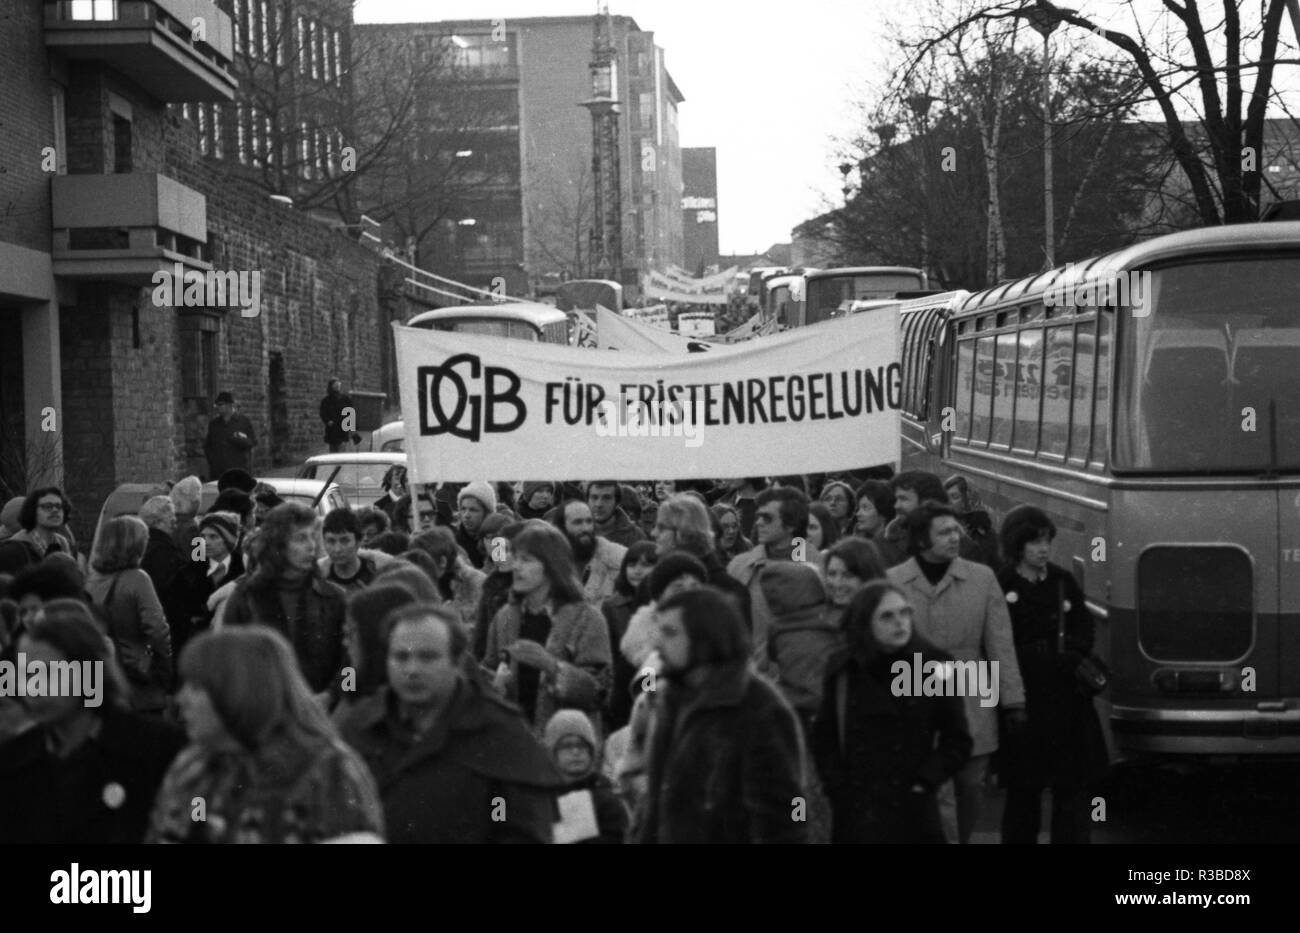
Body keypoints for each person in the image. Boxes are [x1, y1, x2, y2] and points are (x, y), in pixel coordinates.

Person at [335, 604, 563, 843]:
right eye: (401, 657)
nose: (412, 670)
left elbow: (523, 830)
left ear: (456, 662)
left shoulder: (499, 733)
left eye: (428, 657)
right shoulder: (360, 728)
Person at [147, 627, 384, 843]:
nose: (181, 700)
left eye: (197, 688)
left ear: (237, 691)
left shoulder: (329, 772)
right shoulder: (193, 768)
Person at [886, 502, 1026, 844]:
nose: (954, 538)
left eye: (955, 531)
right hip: (915, 689)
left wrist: (1013, 701)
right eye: (944, 532)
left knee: (970, 784)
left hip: (971, 691)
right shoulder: (893, 581)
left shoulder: (982, 578)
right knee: (935, 789)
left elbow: (1000, 644)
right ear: (921, 540)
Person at [631, 588, 808, 844]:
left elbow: (789, 818)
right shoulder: (671, 700)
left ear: (704, 636)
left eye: (670, 633)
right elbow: (656, 807)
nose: (657, 643)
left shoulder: (759, 709)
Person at [0, 600, 186, 843]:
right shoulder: (14, 759)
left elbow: (199, 814)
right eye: (27, 675)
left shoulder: (158, 746)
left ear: (89, 673)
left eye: (49, 674)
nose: (34, 690)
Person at [813, 582, 973, 843]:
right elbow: (824, 736)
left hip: (913, 811)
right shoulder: (843, 668)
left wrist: (925, 782)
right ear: (866, 623)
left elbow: (957, 739)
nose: (900, 623)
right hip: (858, 812)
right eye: (887, 616)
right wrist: (837, 787)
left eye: (905, 613)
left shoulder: (934, 665)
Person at [996, 506, 1109, 844]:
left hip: (1066, 702)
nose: (1043, 549)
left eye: (1046, 541)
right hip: (1024, 701)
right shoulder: (1002, 584)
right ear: (1018, 545)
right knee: (1023, 793)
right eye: (1034, 542)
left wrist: (1070, 654)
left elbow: (1084, 629)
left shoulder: (1063, 581)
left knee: (1071, 790)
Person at [485, 524, 611, 735]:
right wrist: (493, 685)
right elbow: (489, 666)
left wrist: (552, 667)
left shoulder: (586, 618)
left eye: (526, 560)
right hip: (516, 744)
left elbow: (599, 691)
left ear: (552, 565)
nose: (515, 566)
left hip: (566, 747)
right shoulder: (505, 617)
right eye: (515, 558)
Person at [221, 503, 348, 696]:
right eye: (300, 538)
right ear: (278, 545)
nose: (311, 546)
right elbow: (228, 666)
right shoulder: (246, 597)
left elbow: (354, 665)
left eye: (312, 537)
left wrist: (334, 697)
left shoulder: (334, 598)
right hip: (264, 715)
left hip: (324, 716)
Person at [85, 516, 173, 713]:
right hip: (136, 675)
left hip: (101, 675)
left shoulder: (90, 581)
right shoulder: (137, 579)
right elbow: (158, 629)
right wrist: (165, 670)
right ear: (135, 545)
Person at [727, 486, 809, 674]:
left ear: (790, 525)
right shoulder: (739, 566)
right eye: (758, 517)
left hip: (799, 676)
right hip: (750, 678)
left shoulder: (815, 565)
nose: (759, 523)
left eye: (767, 518)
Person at [543, 708, 629, 844]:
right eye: (567, 746)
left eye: (582, 745)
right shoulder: (542, 797)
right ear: (553, 753)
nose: (575, 752)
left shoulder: (605, 798)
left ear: (591, 751)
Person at [600, 541, 657, 734]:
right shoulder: (611, 607)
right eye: (632, 565)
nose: (637, 571)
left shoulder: (663, 604)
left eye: (645, 565)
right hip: (621, 687)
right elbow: (609, 653)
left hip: (652, 683)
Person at [409, 526, 486, 638]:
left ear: (442, 562)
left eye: (424, 562)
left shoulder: (476, 582)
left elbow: (481, 629)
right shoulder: (418, 582)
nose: (419, 567)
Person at [553, 499, 626, 604]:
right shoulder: (551, 563)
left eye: (589, 521)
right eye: (577, 522)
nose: (585, 528)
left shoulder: (618, 558)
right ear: (562, 527)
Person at [0, 487, 76, 575]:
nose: (55, 510)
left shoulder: (68, 547)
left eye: (59, 506)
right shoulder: (13, 551)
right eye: (48, 506)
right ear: (32, 511)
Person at [320, 509, 393, 593]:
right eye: (331, 541)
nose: (337, 549)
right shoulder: (318, 581)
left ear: (358, 542)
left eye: (345, 541)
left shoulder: (378, 574)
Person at [824, 537, 885, 625]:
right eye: (832, 574)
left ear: (868, 577)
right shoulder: (820, 620)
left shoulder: (888, 617)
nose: (837, 583)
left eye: (847, 575)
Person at [945, 475, 999, 567]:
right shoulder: (939, 524)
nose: (948, 502)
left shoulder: (982, 532)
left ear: (969, 499)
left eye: (955, 497)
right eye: (945, 497)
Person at [203, 391, 256, 481]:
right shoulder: (214, 424)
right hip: (218, 471)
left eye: (221, 404)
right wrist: (212, 461)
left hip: (238, 469)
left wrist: (239, 439)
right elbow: (208, 445)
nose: (218, 407)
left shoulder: (243, 421)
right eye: (217, 405)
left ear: (229, 405)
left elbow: (252, 442)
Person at [587, 481, 645, 548]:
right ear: (587, 500)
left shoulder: (635, 536)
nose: (599, 504)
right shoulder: (577, 531)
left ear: (617, 503)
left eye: (606, 498)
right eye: (594, 497)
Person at [455, 482, 496, 570]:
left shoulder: (498, 539)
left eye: (473, 510)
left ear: (487, 513)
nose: (466, 515)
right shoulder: (454, 543)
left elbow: (502, 574)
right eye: (463, 509)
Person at [320, 378, 361, 453]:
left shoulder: (345, 399)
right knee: (333, 449)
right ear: (331, 386)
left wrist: (353, 428)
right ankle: (335, 463)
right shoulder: (326, 400)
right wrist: (328, 421)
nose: (337, 386)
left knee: (341, 448)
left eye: (338, 384)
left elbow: (351, 412)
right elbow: (323, 413)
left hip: (343, 427)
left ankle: (339, 463)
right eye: (335, 384)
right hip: (332, 429)